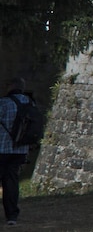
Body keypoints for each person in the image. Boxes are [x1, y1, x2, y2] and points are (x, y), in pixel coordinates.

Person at [0, 78, 30, 226]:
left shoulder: (4, 103)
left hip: (2, 148)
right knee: (11, 182)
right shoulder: (30, 103)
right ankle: (12, 216)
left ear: (11, 86)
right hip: (20, 150)